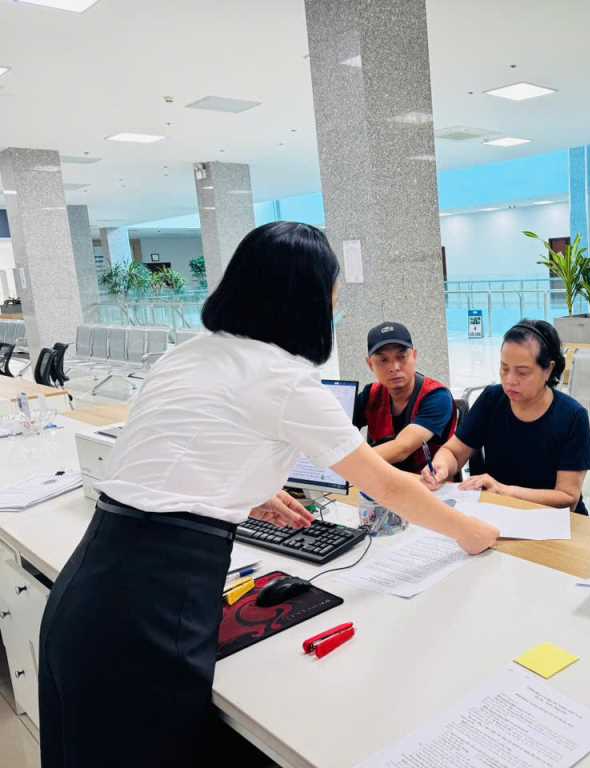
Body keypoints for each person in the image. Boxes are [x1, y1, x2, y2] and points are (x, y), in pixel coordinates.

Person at [37, 222, 498, 767]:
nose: (335, 308)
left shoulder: (188, 353)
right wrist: (470, 530)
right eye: (333, 295)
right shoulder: (283, 378)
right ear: (306, 300)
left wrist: (252, 489)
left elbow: (175, 454)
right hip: (151, 607)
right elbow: (384, 482)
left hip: (88, 586)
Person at [420, 319, 590, 512]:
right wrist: (441, 466)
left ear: (548, 370)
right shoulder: (492, 399)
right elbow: (454, 452)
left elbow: (568, 497)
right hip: (498, 513)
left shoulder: (572, 417)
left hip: (551, 519)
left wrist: (504, 491)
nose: (510, 380)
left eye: (522, 372)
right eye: (504, 368)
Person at [352, 321, 456, 473]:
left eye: (401, 357)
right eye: (383, 360)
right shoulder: (370, 395)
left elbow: (401, 448)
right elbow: (339, 428)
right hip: (382, 481)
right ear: (370, 364)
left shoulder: (437, 396)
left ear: (414, 356)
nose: (394, 367)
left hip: (427, 483)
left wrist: (348, 461)